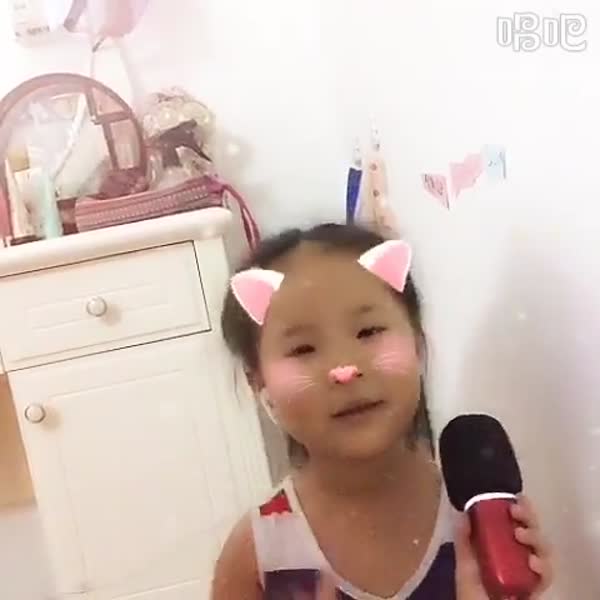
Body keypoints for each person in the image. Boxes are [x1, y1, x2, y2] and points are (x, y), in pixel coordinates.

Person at [212, 223, 553, 599]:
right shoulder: (259, 553)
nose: (344, 368)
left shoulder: (482, 526)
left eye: (369, 332)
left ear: (417, 344)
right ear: (259, 382)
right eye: (303, 349)